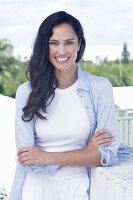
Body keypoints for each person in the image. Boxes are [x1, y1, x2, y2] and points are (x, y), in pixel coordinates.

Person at [9, 11, 119, 200]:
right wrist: (85, 153)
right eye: (54, 43)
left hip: (77, 189)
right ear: (45, 46)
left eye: (68, 42)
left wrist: (49, 157)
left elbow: (107, 154)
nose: (62, 51)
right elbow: (29, 160)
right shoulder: (26, 92)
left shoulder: (100, 88)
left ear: (79, 44)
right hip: (35, 189)